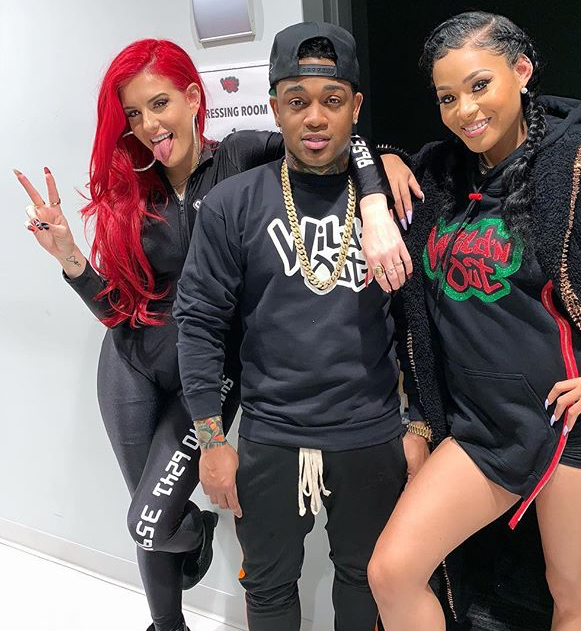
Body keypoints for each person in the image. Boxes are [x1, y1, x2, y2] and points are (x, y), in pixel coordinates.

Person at [14, 38, 408, 631]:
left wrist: (384, 171)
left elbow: (323, 135)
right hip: (131, 363)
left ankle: (194, 535)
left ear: (194, 99)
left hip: (211, 374)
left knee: (151, 520)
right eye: (134, 114)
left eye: (159, 104)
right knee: (148, 523)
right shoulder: (131, 191)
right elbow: (117, 309)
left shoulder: (240, 158)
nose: (149, 125)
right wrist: (70, 258)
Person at [367, 11, 581, 631]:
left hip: (573, 426)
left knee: (573, 596)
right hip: (481, 428)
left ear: (521, 71)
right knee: (392, 572)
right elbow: (369, 157)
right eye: (447, 97)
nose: (465, 110)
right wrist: (382, 169)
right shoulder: (439, 176)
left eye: (479, 85)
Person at [173, 21, 429, 631]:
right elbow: (200, 323)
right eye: (297, 101)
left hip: (369, 433)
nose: (315, 118)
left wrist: (418, 424)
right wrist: (212, 441)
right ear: (275, 108)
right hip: (270, 434)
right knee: (267, 587)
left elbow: (420, 324)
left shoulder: (394, 205)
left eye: (332, 100)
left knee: (365, 583)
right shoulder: (233, 204)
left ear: (355, 107)